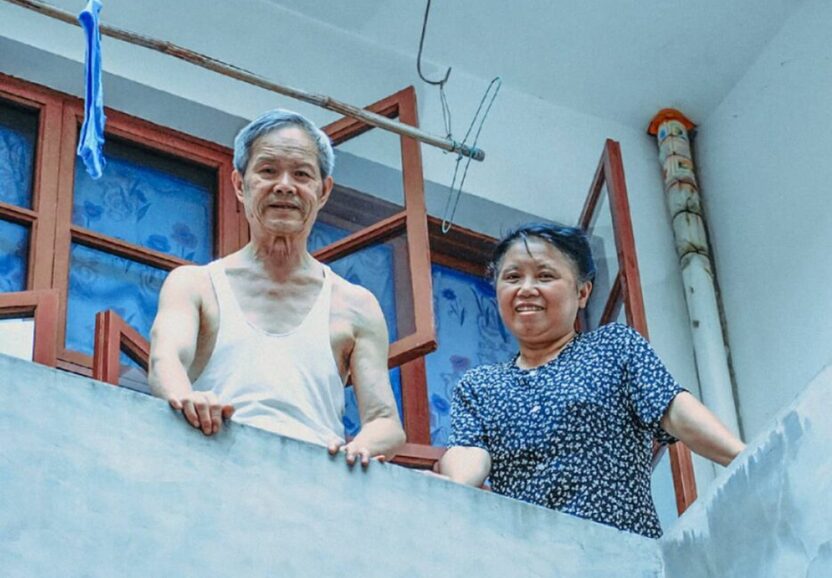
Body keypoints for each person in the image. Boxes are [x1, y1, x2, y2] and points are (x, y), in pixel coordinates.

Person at [437, 223, 745, 537]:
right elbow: (468, 451)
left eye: (545, 275)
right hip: (531, 562)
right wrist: (452, 485)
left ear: (582, 292)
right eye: (512, 277)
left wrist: (745, 457)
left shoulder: (613, 347)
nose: (526, 289)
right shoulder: (480, 386)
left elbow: (673, 409)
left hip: (624, 558)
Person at [148, 109, 405, 466]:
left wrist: (360, 448)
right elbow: (166, 360)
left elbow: (384, 422)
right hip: (209, 471)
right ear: (240, 185)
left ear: (323, 190)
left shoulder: (355, 304)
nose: (285, 185)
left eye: (301, 174)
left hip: (316, 490)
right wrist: (186, 397)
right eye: (268, 171)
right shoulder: (195, 284)